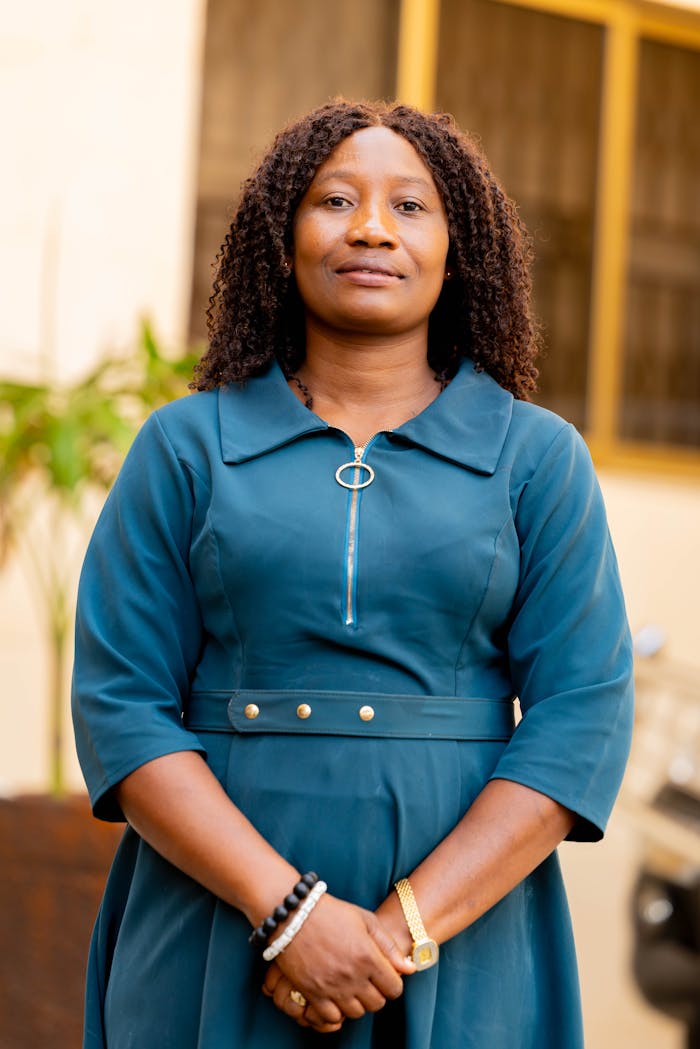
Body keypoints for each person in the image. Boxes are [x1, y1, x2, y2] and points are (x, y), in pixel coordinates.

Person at [72, 99, 634, 1049]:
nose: (371, 226)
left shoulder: (538, 459)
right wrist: (289, 914)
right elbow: (120, 706)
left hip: (467, 941)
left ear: (461, 252)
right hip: (211, 925)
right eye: (335, 199)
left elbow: (582, 717)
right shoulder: (185, 447)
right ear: (280, 238)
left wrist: (396, 930)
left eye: (410, 207)